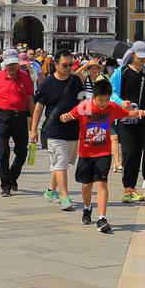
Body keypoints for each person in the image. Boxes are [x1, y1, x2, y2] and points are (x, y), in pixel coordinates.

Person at [60, 79, 138, 233]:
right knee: (86, 185)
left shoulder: (112, 107)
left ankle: (102, 218)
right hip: (86, 153)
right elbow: (70, 114)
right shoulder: (85, 107)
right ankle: (87, 208)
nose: (104, 103)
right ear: (94, 97)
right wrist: (65, 117)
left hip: (103, 152)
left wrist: (139, 112)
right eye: (101, 100)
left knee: (101, 183)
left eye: (107, 99)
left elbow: (127, 114)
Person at [30, 50, 83, 210]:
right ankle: (64, 196)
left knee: (63, 162)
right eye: (65, 65)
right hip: (54, 130)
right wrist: (33, 130)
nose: (68, 68)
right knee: (60, 163)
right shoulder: (47, 83)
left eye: (71, 65)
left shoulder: (75, 81)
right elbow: (38, 108)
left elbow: (81, 104)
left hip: (73, 129)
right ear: (56, 65)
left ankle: (50, 191)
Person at [109, 46, 145, 202]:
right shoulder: (121, 72)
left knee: (138, 153)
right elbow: (110, 91)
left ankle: (131, 188)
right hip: (124, 118)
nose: (143, 60)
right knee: (129, 152)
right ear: (132, 55)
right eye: (140, 57)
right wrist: (120, 102)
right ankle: (127, 188)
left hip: (141, 118)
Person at [0, 49, 35, 196]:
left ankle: (12, 176)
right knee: (3, 152)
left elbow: (30, 99)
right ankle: (5, 185)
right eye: (9, 64)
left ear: (18, 64)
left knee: (22, 152)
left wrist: (33, 124)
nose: (11, 67)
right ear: (4, 64)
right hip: (1, 117)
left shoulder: (25, 77)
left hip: (20, 117)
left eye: (14, 64)